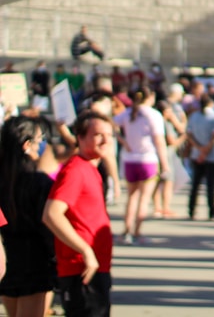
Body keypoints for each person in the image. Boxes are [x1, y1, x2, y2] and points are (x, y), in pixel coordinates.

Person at [43, 110, 115, 317]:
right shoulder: (75, 170)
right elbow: (51, 214)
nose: (106, 140)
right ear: (80, 138)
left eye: (109, 135)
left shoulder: (90, 167)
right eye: (98, 135)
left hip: (93, 266)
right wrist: (86, 251)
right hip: (81, 268)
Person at [0, 117, 57, 317]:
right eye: (39, 140)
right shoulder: (38, 182)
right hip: (35, 260)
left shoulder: (4, 179)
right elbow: (48, 224)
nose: (42, 145)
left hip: (7, 255)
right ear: (27, 145)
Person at [114, 86, 169, 245]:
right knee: (144, 198)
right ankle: (137, 232)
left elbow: (111, 124)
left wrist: (123, 141)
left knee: (131, 197)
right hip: (148, 160)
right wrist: (165, 164)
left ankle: (126, 230)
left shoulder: (128, 112)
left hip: (130, 159)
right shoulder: (153, 115)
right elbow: (159, 141)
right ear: (150, 96)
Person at [187, 94, 214, 221]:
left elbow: (189, 134)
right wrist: (205, 149)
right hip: (212, 154)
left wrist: (199, 149)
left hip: (197, 154)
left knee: (195, 184)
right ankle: (212, 210)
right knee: (211, 185)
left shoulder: (194, 116)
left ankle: (191, 209)